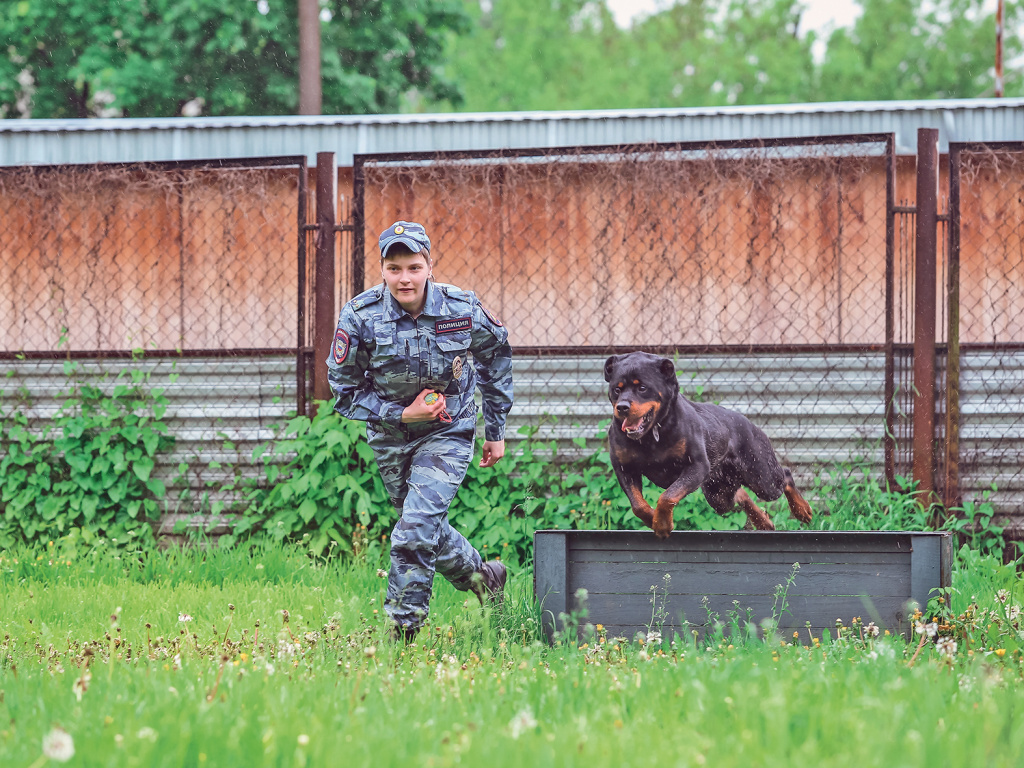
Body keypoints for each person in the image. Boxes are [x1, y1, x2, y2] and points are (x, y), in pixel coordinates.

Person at [326, 220, 514, 642]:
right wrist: (400, 414)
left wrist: (495, 428)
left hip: (449, 430)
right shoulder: (360, 316)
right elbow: (342, 390)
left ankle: (402, 632)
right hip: (391, 436)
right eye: (394, 269)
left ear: (429, 265)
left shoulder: (460, 307)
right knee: (422, 524)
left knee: (413, 528)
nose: (404, 278)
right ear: (382, 270)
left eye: (413, 267)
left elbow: (496, 356)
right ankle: (485, 579)